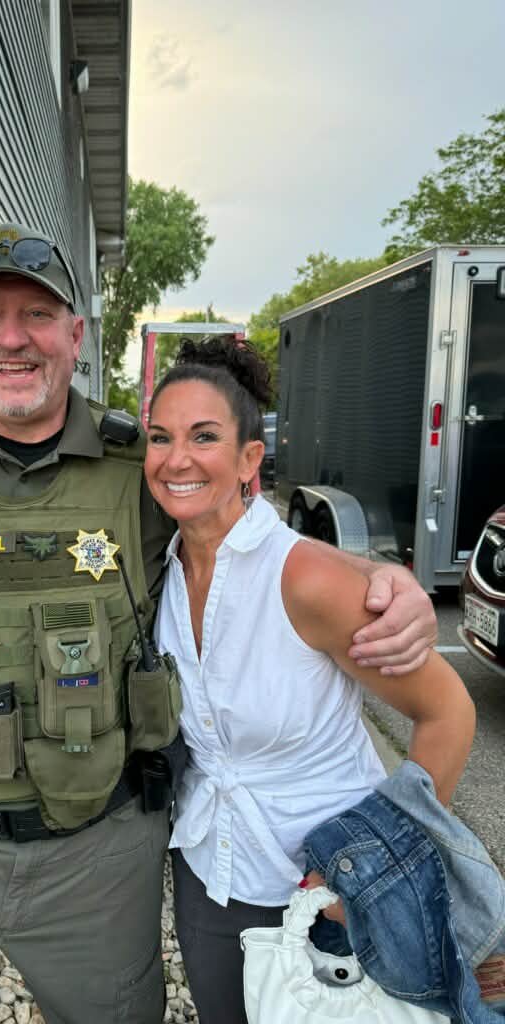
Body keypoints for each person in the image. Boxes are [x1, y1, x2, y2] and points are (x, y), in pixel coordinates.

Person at [0, 222, 436, 1024]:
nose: (11, 338)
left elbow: (258, 537)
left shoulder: (141, 465)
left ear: (75, 334)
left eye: (37, 315)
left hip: (97, 863)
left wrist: (387, 579)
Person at [143, 335, 476, 1024]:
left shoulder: (306, 579)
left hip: (328, 885)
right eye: (159, 437)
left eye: (203, 437)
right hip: (212, 872)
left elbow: (448, 713)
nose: (176, 459)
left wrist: (375, 870)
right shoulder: (164, 564)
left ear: (249, 460)